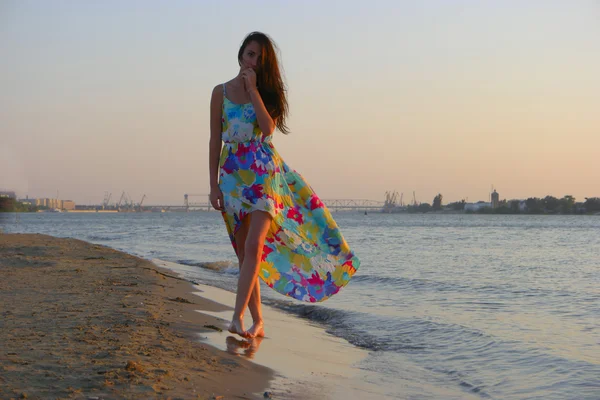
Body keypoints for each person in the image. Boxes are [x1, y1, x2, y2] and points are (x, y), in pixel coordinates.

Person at [209, 32, 360, 339]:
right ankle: (258, 321)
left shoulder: (266, 93)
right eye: (250, 54)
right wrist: (212, 185)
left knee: (254, 246)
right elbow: (214, 139)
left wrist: (253, 91)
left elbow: (268, 129)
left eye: (260, 60)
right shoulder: (219, 92)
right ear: (240, 55)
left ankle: (236, 317)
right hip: (232, 175)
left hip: (264, 174)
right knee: (243, 254)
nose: (253, 62)